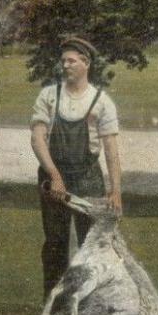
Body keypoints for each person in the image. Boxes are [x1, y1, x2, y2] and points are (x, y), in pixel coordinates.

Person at [30, 37, 122, 300]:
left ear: (86, 63)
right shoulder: (49, 95)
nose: (65, 65)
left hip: (88, 178)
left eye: (71, 61)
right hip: (53, 175)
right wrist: (54, 176)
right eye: (63, 61)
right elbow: (37, 139)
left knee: (90, 246)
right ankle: (53, 306)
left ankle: (91, 305)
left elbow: (112, 152)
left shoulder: (102, 101)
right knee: (55, 243)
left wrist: (116, 191)